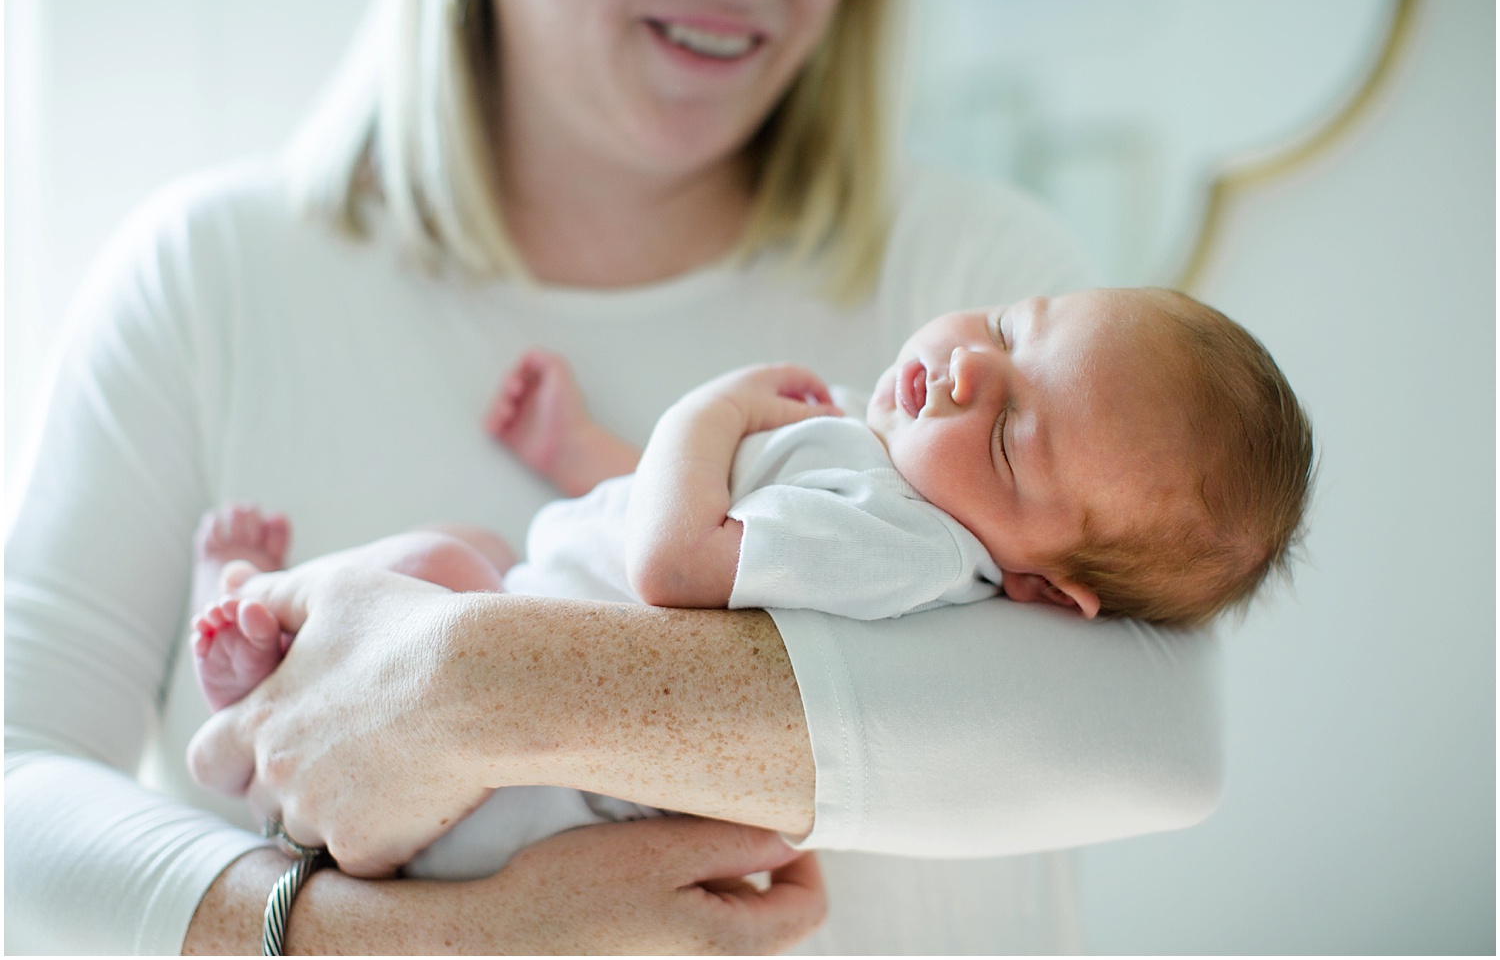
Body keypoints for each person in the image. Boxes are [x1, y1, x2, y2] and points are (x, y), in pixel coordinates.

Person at [5, 0, 1225, 954]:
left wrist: (473, 683)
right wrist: (398, 943)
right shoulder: (205, 280)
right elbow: (17, 789)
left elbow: (1162, 736)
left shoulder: (983, 265)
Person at [189, 285, 1310, 880]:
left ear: (1042, 585)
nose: (974, 368)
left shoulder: (903, 540)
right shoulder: (889, 478)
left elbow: (675, 563)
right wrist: (581, 449)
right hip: (503, 707)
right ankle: (277, 647)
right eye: (1016, 327)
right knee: (463, 544)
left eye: (1012, 434)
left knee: (441, 570)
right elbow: (692, 514)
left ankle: (265, 616)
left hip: (499, 795)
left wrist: (708, 409)